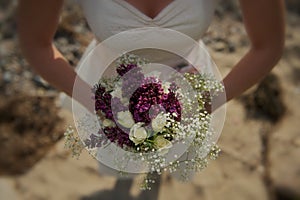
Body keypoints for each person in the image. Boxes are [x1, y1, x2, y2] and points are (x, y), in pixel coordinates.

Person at [17, 0, 285, 191]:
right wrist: (101, 105)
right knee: (121, 159)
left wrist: (203, 104)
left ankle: (154, 173)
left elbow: (268, 45)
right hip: (108, 89)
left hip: (187, 90)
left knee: (168, 153)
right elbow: (36, 43)